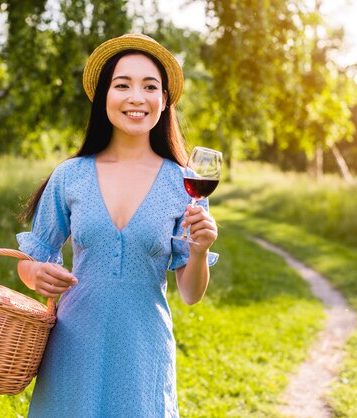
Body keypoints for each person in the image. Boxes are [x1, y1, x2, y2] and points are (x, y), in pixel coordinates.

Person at [16, 33, 219, 417]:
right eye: (122, 85)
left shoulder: (185, 184)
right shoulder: (69, 176)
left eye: (150, 86)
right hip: (73, 347)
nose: (136, 97)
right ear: (103, 96)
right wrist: (35, 274)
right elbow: (30, 260)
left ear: (164, 101)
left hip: (144, 352)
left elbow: (191, 294)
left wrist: (200, 250)